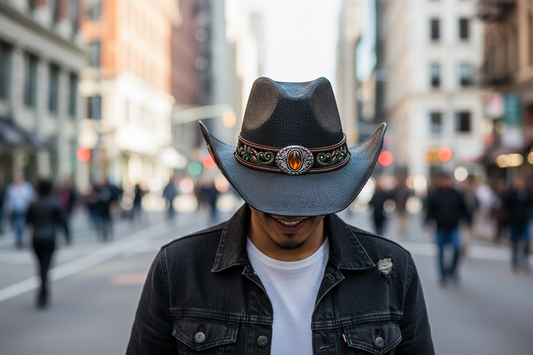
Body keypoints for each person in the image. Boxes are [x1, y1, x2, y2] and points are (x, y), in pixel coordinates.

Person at [126, 77, 434, 354]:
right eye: (271, 198)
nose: (289, 213)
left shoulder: (393, 272)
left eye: (310, 199)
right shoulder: (178, 269)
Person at [26, 180, 70, 308]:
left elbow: (28, 221)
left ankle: (42, 292)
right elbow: (62, 221)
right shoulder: (54, 203)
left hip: (36, 238)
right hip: (50, 237)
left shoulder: (33, 204)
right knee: (46, 266)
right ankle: (43, 293)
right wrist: (67, 237)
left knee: (40, 266)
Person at [426, 173, 467, 286]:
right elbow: (430, 209)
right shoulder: (435, 194)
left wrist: (464, 220)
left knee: (457, 249)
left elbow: (463, 208)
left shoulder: (456, 194)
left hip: (453, 227)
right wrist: (428, 222)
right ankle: (443, 276)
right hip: (440, 227)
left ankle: (452, 270)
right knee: (440, 252)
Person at [503, 176, 532, 273]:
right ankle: (514, 262)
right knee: (514, 242)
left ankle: (524, 261)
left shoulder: (527, 194)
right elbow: (506, 205)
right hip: (514, 222)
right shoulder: (511, 194)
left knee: (526, 241)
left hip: (524, 221)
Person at [4, 171, 35, 248]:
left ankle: (22, 239)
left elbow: (31, 197)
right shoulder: (11, 188)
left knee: (23, 225)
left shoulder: (27, 186)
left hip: (25, 209)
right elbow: (9, 199)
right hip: (16, 210)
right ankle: (19, 240)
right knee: (17, 225)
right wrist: (9, 208)